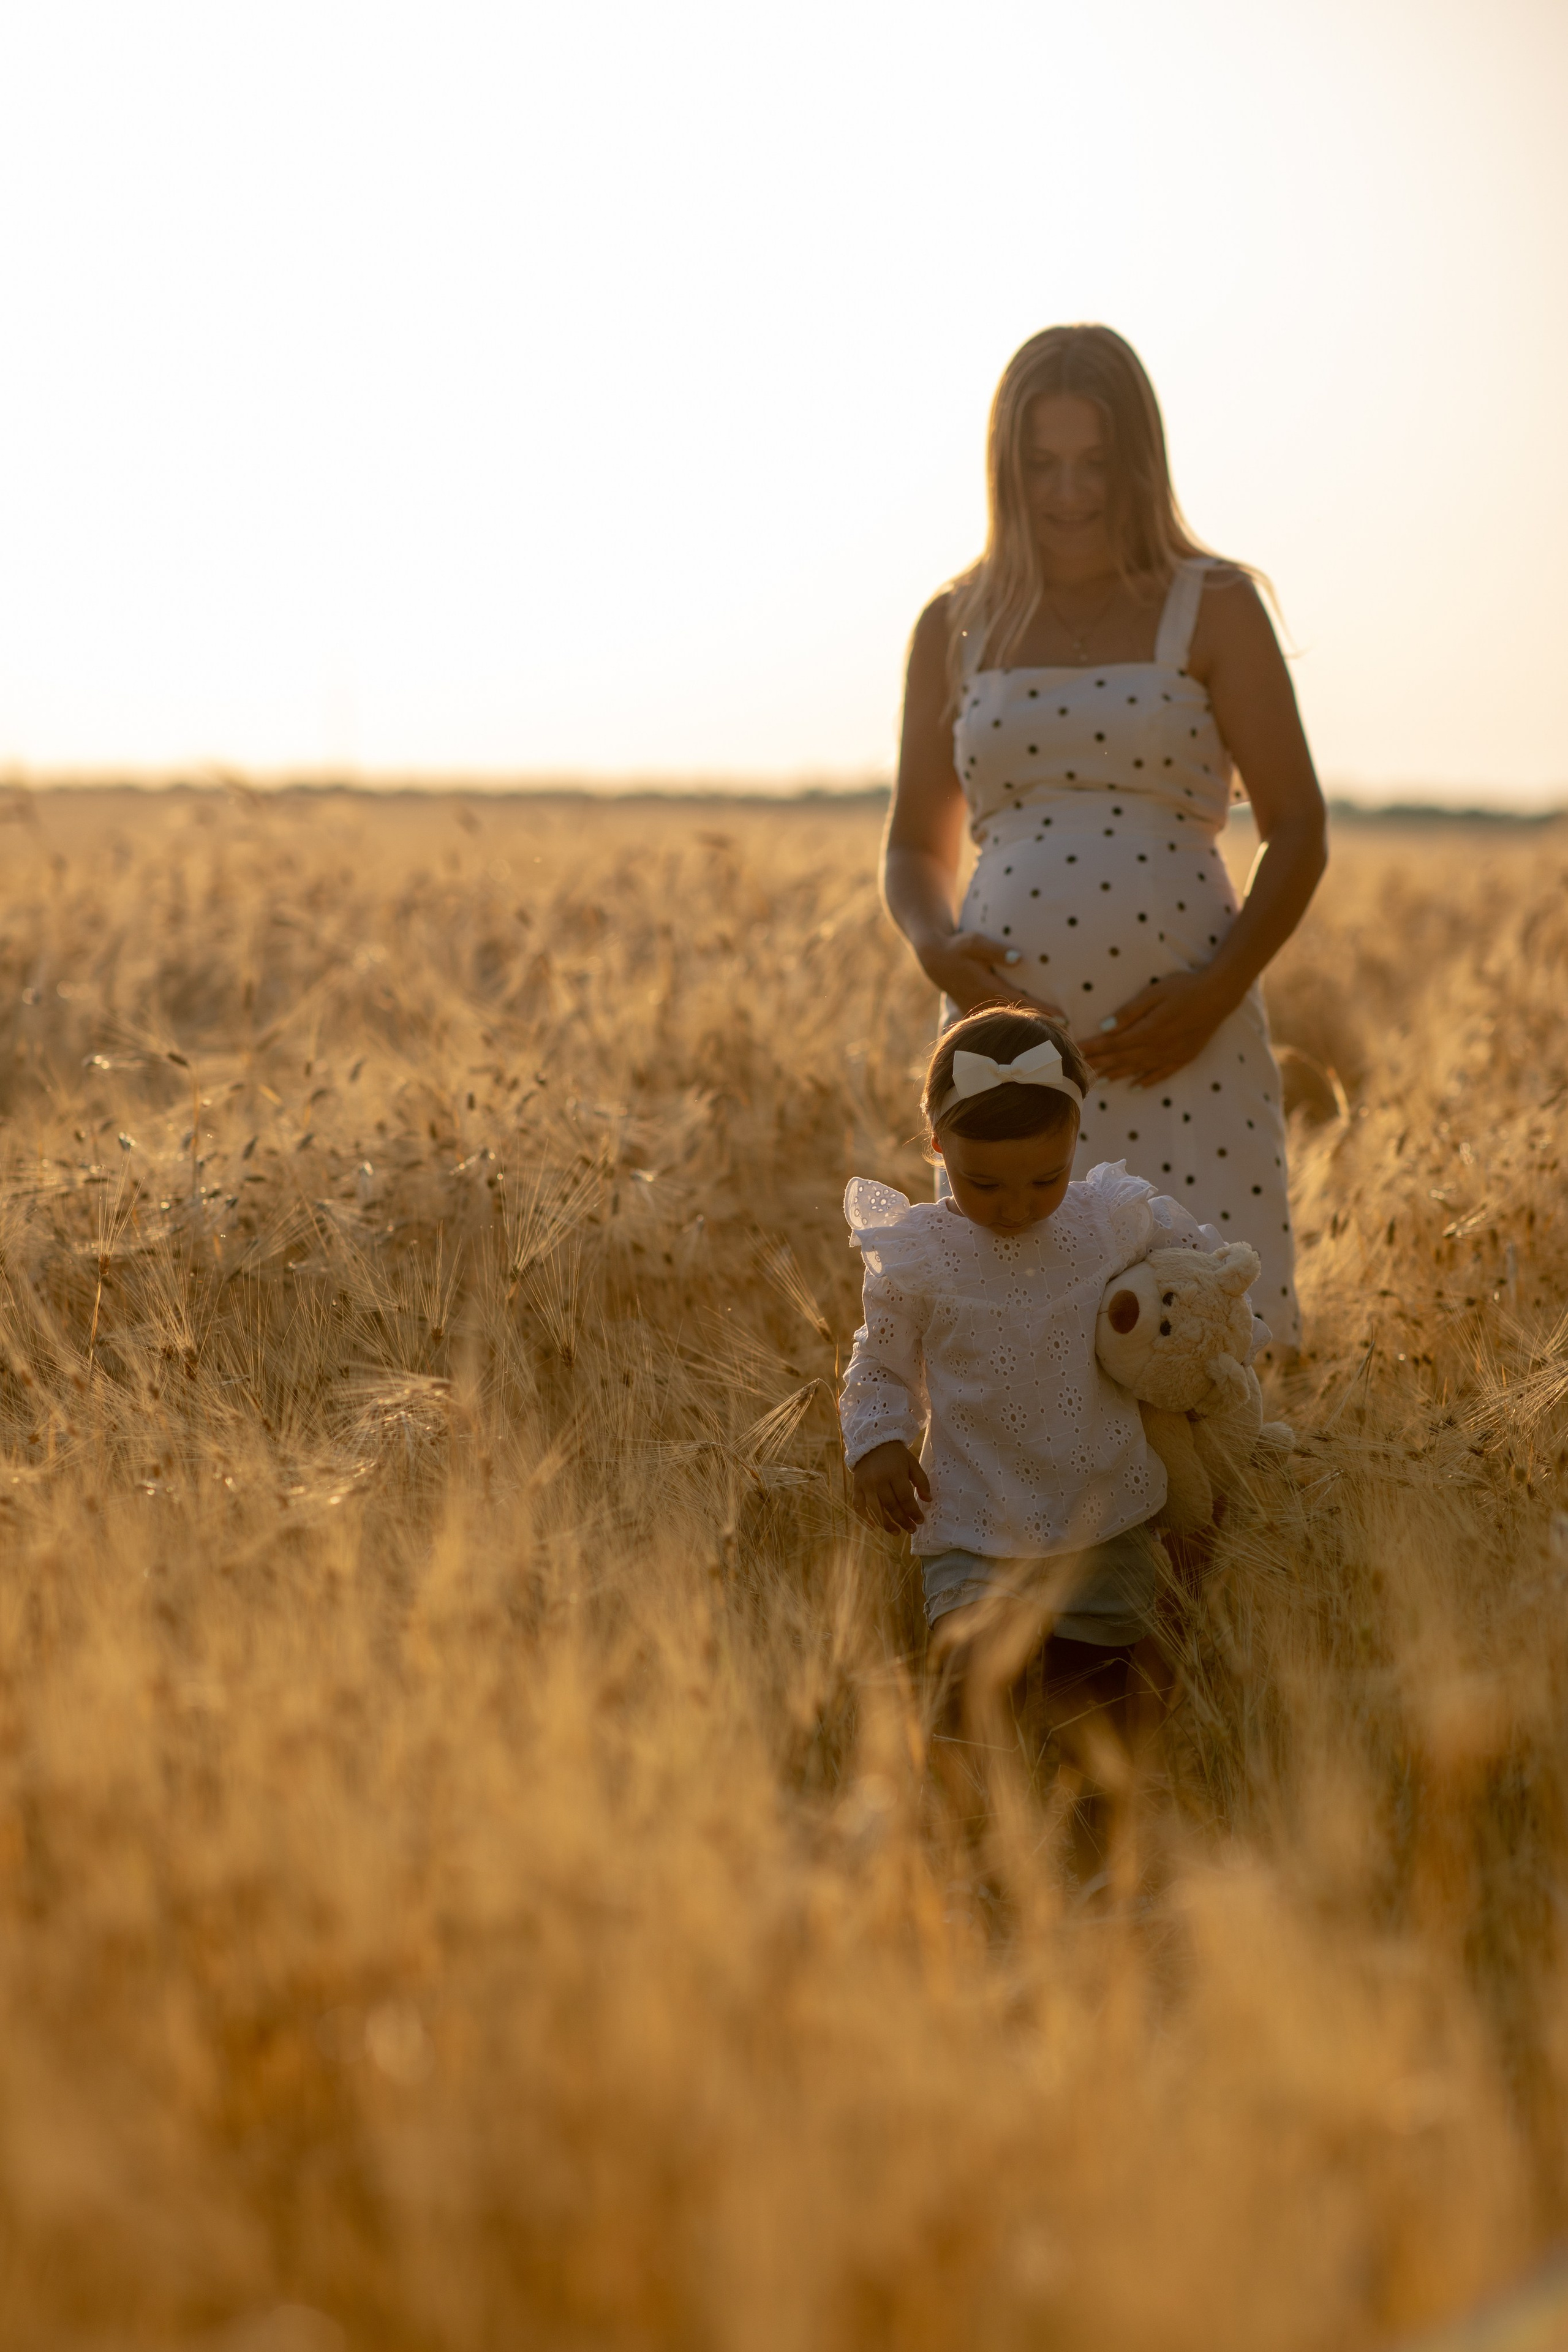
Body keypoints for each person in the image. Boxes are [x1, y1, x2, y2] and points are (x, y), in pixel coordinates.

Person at [884, 323, 1327, 1347]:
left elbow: (1299, 828)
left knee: (1204, 1354)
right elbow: (913, 847)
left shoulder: (1214, 605)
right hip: (1008, 1062)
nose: (1070, 490)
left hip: (1186, 1046)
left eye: (1095, 461)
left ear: (1141, 463)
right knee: (1011, 1360)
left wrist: (1215, 993)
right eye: (1042, 463)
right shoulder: (956, 622)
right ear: (1005, 469)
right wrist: (936, 947)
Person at [839, 1005, 1248, 1874]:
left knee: (1100, 1707)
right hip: (970, 1519)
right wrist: (876, 1443)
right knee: (966, 1699)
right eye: (985, 1184)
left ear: (1076, 1138)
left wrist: (1209, 1336)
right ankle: (963, 1861)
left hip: (1100, 1512)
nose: (1017, 1206)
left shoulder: (1109, 1219)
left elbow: (1203, 1276)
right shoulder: (920, 1252)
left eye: (1044, 1178)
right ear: (938, 1147)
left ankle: (1097, 1859)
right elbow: (879, 1362)